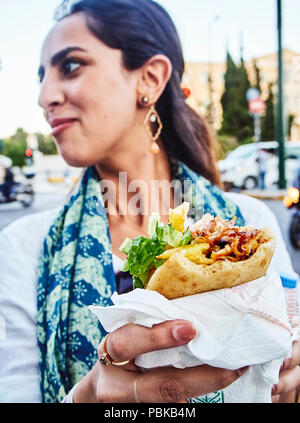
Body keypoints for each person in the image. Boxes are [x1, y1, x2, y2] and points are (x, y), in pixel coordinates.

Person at [0, 0, 299, 403]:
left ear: (150, 78)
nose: (44, 96)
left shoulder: (250, 221)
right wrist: (87, 398)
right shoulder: (24, 246)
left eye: (70, 66)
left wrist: (288, 380)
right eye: (42, 76)